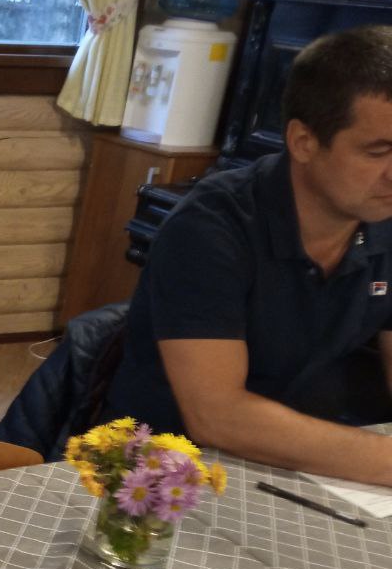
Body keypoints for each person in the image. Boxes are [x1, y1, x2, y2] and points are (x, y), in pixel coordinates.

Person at [103, 24, 392, 486]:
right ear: (303, 142)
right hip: (164, 474)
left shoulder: (380, 216)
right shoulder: (211, 228)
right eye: (379, 151)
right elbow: (218, 417)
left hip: (306, 463)